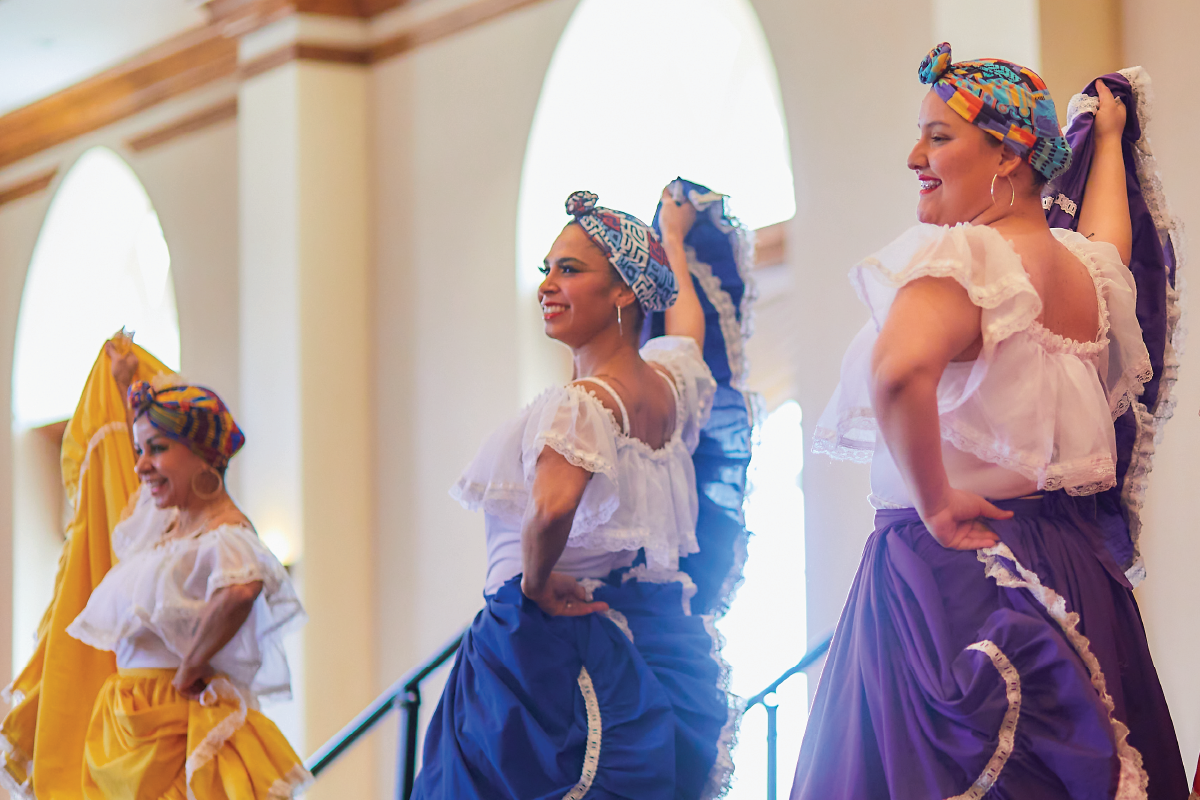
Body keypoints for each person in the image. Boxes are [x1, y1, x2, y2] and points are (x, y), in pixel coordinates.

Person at [793, 43, 1187, 798]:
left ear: (1006, 153)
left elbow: (899, 369)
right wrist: (1106, 144)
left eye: (939, 136)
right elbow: (1111, 238)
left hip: (960, 579)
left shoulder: (973, 257)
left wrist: (935, 504)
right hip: (1072, 570)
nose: (915, 156)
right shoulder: (1082, 272)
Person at [412, 188, 735, 799]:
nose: (546, 285)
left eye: (570, 269)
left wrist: (533, 585)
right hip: (640, 623)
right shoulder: (671, 385)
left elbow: (552, 507)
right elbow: (686, 329)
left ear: (622, 292)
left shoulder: (583, 405)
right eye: (546, 270)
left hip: (554, 637)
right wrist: (672, 238)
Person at [65, 358, 311, 799]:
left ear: (203, 454)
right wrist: (127, 387)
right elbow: (140, 468)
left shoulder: (224, 534)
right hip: (127, 722)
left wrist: (189, 669)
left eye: (156, 449)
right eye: (140, 450)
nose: (142, 465)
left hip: (172, 718)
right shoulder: (161, 523)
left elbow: (240, 590)